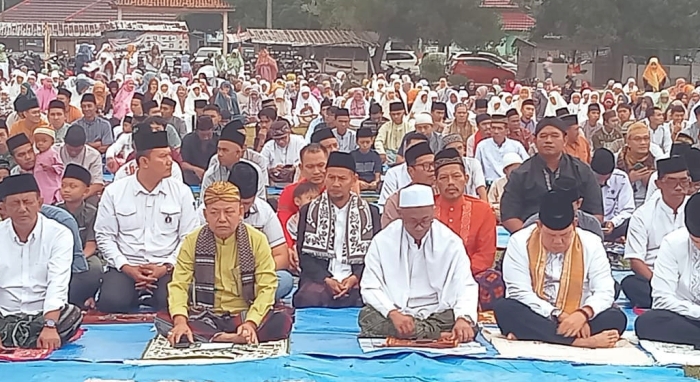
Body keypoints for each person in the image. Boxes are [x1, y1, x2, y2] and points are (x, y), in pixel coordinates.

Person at [161, 182, 292, 346]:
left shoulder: (257, 240)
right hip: (206, 314)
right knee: (163, 320)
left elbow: (267, 287)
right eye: (214, 213)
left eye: (229, 212)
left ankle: (216, 337)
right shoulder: (192, 241)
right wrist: (180, 321)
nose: (222, 219)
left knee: (281, 321)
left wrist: (251, 323)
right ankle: (229, 338)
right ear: (205, 214)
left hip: (243, 314)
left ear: (240, 212)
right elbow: (179, 285)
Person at [494, 191, 626, 349]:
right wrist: (560, 315)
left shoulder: (591, 243)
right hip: (539, 314)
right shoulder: (519, 242)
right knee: (505, 308)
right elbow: (519, 292)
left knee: (616, 318)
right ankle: (579, 341)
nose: (558, 242)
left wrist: (582, 314)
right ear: (539, 225)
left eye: (564, 235)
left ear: (575, 225)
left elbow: (604, 291)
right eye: (551, 235)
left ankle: (536, 334)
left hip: (581, 315)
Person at [94, 129, 198, 313]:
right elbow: (104, 236)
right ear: (144, 162)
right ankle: (134, 293)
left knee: (171, 302)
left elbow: (189, 237)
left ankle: (150, 294)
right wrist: (126, 267)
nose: (169, 162)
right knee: (111, 302)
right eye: (163, 156)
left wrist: (165, 266)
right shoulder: (115, 192)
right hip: (127, 265)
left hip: (166, 265)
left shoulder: (181, 192)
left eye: (169, 155)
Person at [359, 184, 479, 342]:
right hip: (397, 313)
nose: (419, 227)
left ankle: (420, 332)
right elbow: (370, 285)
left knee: (465, 320)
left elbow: (465, 284)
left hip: (439, 312)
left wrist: (463, 319)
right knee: (367, 317)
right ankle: (435, 334)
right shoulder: (383, 240)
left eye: (425, 220)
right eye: (412, 221)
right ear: (401, 215)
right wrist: (393, 313)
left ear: (433, 213)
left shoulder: (450, 241)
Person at [0, 174, 83, 349]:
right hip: (4, 312)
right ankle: (21, 336)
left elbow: (58, 282)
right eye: (15, 203)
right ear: (3, 208)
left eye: (28, 202)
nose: (22, 209)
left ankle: (14, 337)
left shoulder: (59, 234)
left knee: (71, 315)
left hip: (43, 314)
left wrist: (50, 326)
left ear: (39, 202)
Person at [293, 152, 381, 308]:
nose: (335, 183)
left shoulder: (370, 212)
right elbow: (303, 255)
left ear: (354, 180)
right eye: (331, 177)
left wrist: (355, 277)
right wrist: (326, 279)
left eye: (342, 179)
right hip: (321, 280)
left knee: (371, 297)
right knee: (306, 297)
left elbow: (375, 255)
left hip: (356, 280)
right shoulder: (309, 210)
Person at [500, 117, 603, 233]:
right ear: (534, 140)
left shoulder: (582, 170)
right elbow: (509, 216)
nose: (548, 140)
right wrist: (529, 237)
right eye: (543, 136)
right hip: (532, 237)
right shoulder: (521, 173)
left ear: (565, 140)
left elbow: (596, 213)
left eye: (554, 136)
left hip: (575, 237)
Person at [433, 148, 502, 310]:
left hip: (469, 276)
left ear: (466, 179)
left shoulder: (483, 210)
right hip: (428, 277)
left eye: (456, 176)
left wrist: (457, 275)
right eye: (444, 178)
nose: (451, 182)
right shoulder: (425, 207)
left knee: (492, 279)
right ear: (435, 182)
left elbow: (485, 255)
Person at [623, 156, 690, 309]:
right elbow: (636, 261)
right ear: (659, 183)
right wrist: (661, 284)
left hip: (692, 277)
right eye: (673, 181)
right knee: (631, 284)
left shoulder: (695, 208)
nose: (679, 187)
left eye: (684, 181)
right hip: (656, 278)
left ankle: (669, 305)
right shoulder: (643, 214)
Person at [635, 193, 700, 347]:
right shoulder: (673, 242)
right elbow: (662, 299)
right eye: (697, 241)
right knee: (647, 323)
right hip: (686, 316)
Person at [226, 162, 294, 300]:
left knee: (285, 280)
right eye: (237, 203)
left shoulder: (264, 211)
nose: (242, 210)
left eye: (246, 204)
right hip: (218, 279)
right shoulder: (212, 210)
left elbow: (282, 256)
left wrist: (254, 274)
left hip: (254, 279)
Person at [56, 164, 102, 309]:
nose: (66, 190)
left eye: (73, 186)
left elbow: (91, 245)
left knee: (95, 268)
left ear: (86, 191)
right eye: (63, 186)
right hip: (57, 255)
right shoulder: (54, 212)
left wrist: (76, 259)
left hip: (84, 255)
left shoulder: (92, 213)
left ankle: (77, 298)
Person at [276, 143, 329, 246]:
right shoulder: (290, 192)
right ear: (301, 168)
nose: (316, 171)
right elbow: (283, 225)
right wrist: (290, 248)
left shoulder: (335, 190)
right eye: (310, 167)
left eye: (321, 165)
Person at [523, 176, 605, 240]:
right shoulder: (532, 223)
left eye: (568, 206)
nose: (562, 209)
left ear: (579, 203)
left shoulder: (591, 224)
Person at [201, 122, 266, 199]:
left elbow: (260, 201)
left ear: (238, 153)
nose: (220, 154)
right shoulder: (211, 174)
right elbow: (204, 202)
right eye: (219, 149)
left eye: (225, 150)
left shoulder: (255, 171)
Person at [381, 141, 434, 228]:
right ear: (411, 171)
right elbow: (389, 236)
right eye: (426, 165)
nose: (432, 169)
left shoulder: (443, 194)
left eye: (434, 164)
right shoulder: (396, 201)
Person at [590, 148, 635, 242]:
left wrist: (613, 223)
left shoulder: (621, 178)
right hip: (590, 225)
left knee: (632, 222)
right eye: (598, 178)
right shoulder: (584, 177)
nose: (602, 182)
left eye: (606, 178)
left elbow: (628, 209)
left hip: (614, 225)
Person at [378, 133, 429, 210]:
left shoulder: (433, 172)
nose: (418, 151)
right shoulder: (393, 173)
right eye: (414, 148)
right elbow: (385, 204)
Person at [617, 122, 661, 207]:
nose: (643, 142)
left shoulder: (657, 159)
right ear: (628, 142)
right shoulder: (617, 159)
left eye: (646, 138)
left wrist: (650, 181)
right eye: (637, 139)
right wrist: (628, 180)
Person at [475, 114, 529, 183]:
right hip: (489, 184)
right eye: (493, 128)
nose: (496, 131)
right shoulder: (482, 146)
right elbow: (477, 169)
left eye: (499, 128)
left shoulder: (516, 145)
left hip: (512, 183)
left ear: (507, 130)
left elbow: (526, 164)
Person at [59, 125, 105, 202]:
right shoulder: (54, 151)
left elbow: (97, 184)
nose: (73, 152)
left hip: (83, 195)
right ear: (65, 144)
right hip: (58, 192)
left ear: (84, 145)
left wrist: (77, 197)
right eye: (70, 149)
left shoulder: (94, 155)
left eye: (77, 150)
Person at [180, 115, 218, 186]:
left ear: (212, 130)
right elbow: (183, 164)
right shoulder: (188, 140)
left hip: (213, 174)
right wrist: (195, 169)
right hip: (192, 176)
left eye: (209, 134)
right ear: (196, 132)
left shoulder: (218, 140)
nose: (206, 138)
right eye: (203, 135)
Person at [32, 128, 63, 204]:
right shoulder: (36, 156)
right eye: (37, 141)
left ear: (52, 142)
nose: (40, 143)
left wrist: (51, 168)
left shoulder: (53, 154)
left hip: (51, 183)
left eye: (44, 141)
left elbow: (61, 167)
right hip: (39, 183)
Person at [489, 152, 522, 222]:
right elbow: (490, 204)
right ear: (505, 171)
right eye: (513, 170)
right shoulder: (497, 183)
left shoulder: (525, 181)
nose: (517, 172)